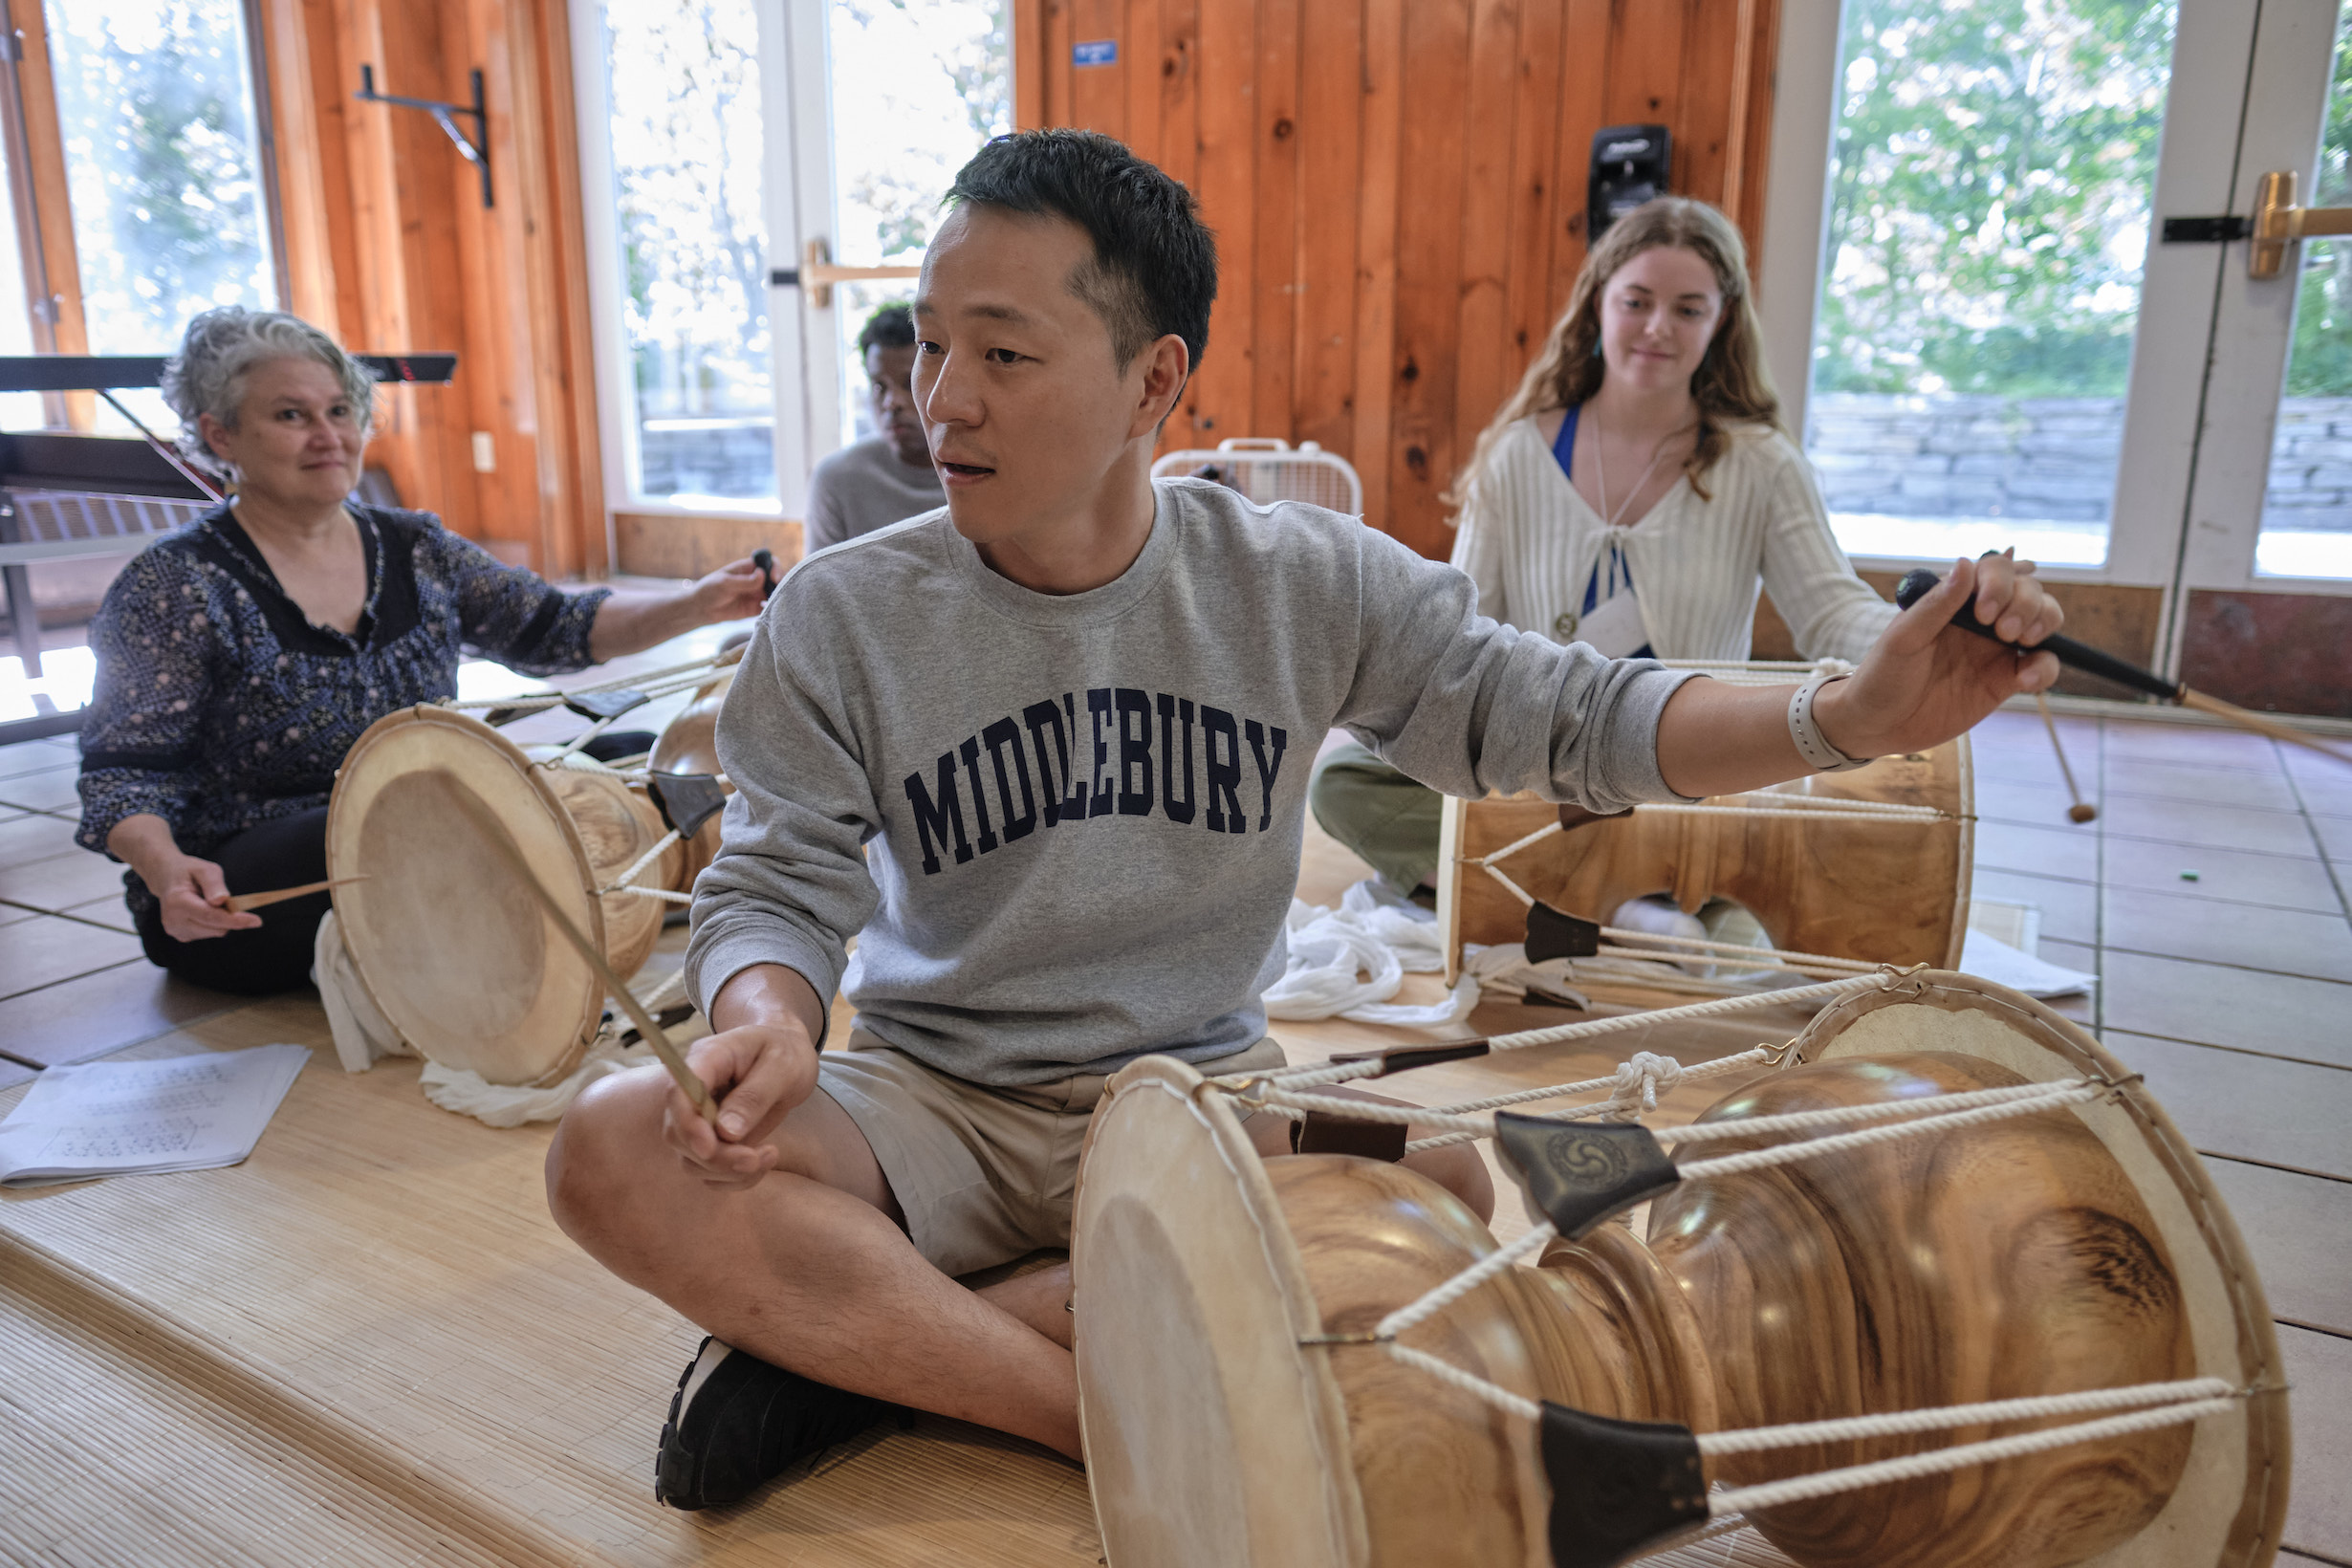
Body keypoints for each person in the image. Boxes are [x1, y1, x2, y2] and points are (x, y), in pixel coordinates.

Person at [542, 129, 2060, 1510]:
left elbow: (1572, 716)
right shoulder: (842, 612)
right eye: (935, 347)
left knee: (1512, 1185)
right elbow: (778, 876)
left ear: (1155, 382)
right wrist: (770, 1013)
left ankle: (862, 1348)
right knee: (615, 1148)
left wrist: (1842, 719)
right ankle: (1092, 1407)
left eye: (1004, 353)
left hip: (1204, 1103)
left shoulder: (1298, 578)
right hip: (927, 1109)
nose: (944, 400)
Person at [74, 306, 769, 996]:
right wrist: (167, 870)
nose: (328, 436)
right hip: (252, 878)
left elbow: (555, 626)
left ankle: (573, 902)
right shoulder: (172, 584)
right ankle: (578, 901)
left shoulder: (415, 547)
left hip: (433, 818)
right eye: (291, 416)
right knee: (427, 822)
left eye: (340, 412)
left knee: (640, 759)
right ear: (219, 434)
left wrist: (698, 604)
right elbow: (123, 776)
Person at [1310, 197, 1964, 901]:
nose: (1658, 327)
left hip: (1694, 774)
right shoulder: (1516, 454)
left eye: (1688, 309)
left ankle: (1561, 890)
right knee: (1343, 781)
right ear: (1599, 305)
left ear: (1721, 323)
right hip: (1540, 779)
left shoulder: (1764, 465)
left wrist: (1927, 633)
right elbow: (1455, 646)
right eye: (1637, 301)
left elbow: (1835, 615)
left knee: (1767, 854)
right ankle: (1622, 897)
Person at [801, 303, 946, 554]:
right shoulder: (838, 478)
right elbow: (819, 585)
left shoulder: (986, 473)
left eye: (908, 382)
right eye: (879, 386)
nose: (892, 402)